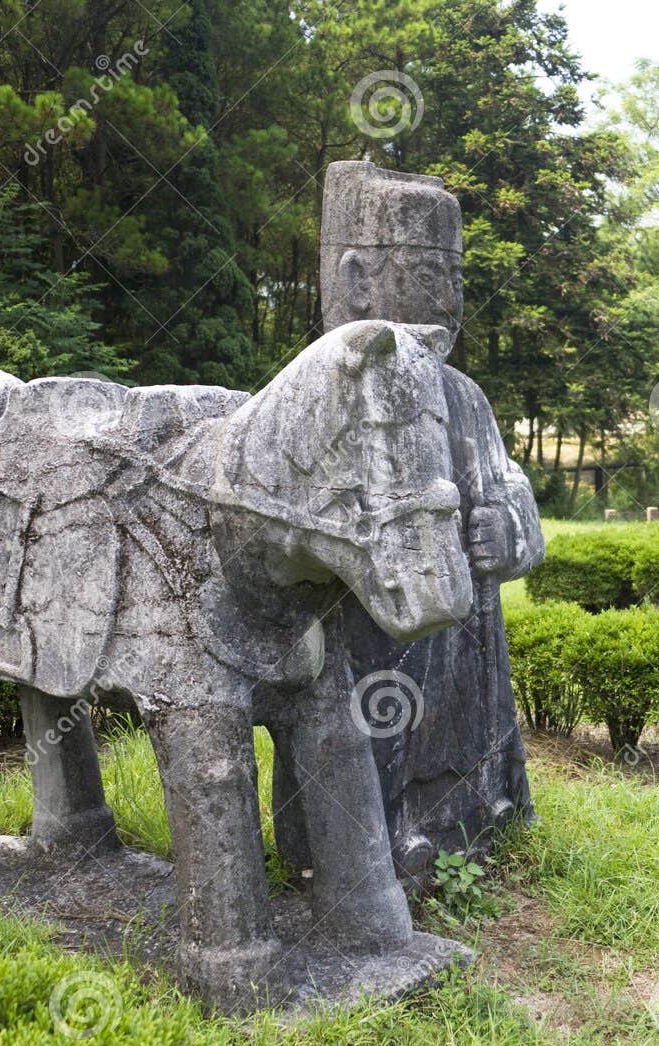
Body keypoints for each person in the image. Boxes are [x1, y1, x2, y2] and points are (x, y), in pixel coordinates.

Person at [270, 161, 544, 882]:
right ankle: (364, 849)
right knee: (374, 727)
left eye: (456, 278)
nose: (448, 299)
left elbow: (509, 484)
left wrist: (509, 530)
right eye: (428, 275)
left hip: (469, 633)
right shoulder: (322, 393)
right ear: (358, 279)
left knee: (465, 727)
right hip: (375, 623)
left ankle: (482, 814)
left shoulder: (466, 397)